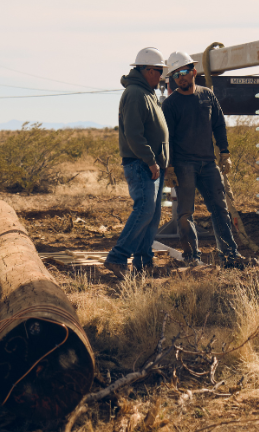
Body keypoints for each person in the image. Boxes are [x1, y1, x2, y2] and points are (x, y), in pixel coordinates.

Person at [160, 51, 251, 269]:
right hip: (183, 165)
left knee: (220, 209)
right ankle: (192, 256)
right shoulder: (170, 105)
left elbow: (219, 125)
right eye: (175, 75)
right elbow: (166, 138)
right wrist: (169, 167)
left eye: (183, 72)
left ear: (194, 71)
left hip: (208, 164)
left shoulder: (207, 96)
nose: (180, 78)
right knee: (185, 213)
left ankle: (229, 256)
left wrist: (225, 153)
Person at [104, 47, 169, 278]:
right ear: (148, 70)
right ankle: (117, 258)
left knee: (151, 215)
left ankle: (144, 262)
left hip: (151, 165)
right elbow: (133, 134)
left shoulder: (147, 93)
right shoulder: (135, 93)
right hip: (142, 164)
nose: (161, 76)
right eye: (159, 71)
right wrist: (150, 160)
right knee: (144, 210)